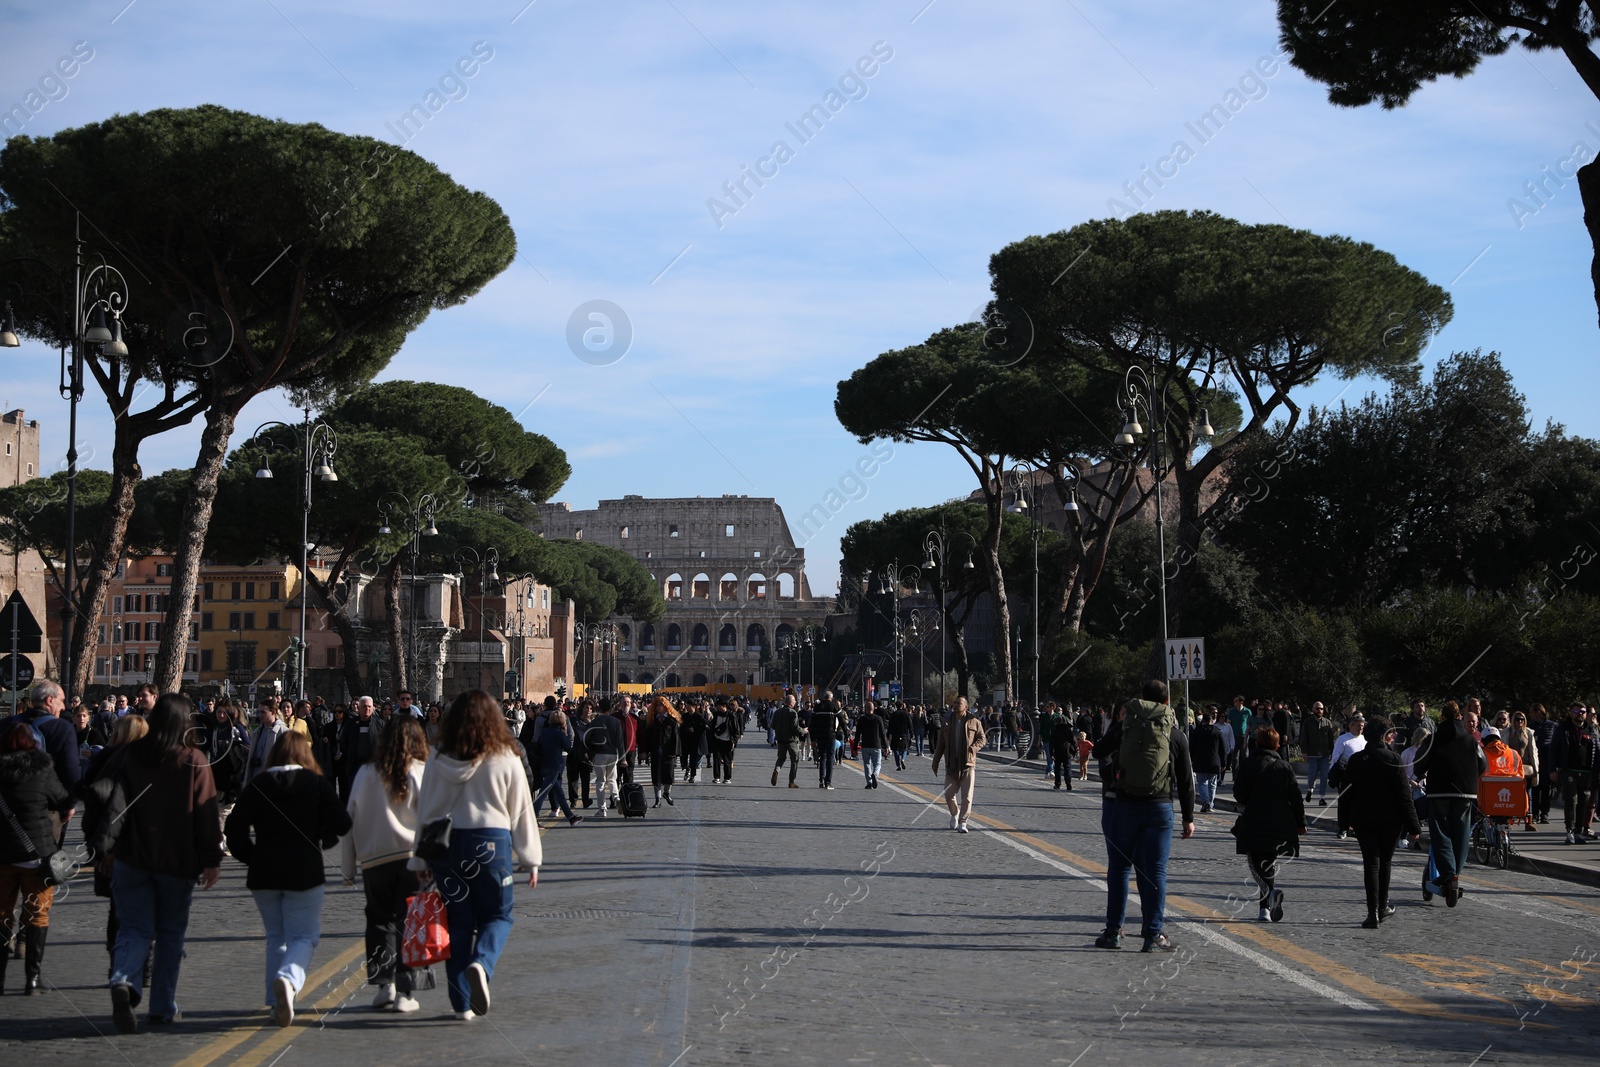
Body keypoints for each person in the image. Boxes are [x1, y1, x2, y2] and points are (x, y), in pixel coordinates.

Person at [409, 690, 540, 1022]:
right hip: (491, 842)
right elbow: (521, 809)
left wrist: (420, 859)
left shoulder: (437, 757)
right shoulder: (506, 756)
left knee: (458, 924)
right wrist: (530, 856)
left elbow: (425, 810)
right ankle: (482, 964)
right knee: (498, 916)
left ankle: (461, 1005)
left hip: (448, 846)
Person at [106, 693, 224, 1033]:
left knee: (133, 927)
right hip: (177, 861)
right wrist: (212, 859)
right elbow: (206, 816)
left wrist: (108, 848)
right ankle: (162, 1006)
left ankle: (124, 980)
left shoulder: (129, 756)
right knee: (171, 934)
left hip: (132, 856)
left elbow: (111, 805)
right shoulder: (193, 760)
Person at [225, 732, 350, 1027]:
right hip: (304, 868)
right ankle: (289, 980)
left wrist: (250, 856)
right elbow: (342, 823)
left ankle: (274, 1001)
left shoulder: (259, 784)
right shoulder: (317, 784)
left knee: (275, 938)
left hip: (264, 869)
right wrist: (324, 836)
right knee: (304, 936)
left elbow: (234, 828)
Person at [1092, 680, 1196, 953]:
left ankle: (1113, 932)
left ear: (1141, 698)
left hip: (1125, 805)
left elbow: (1098, 750)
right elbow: (1186, 781)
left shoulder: (1127, 727)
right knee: (1155, 872)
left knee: (1119, 869)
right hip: (1160, 807)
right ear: (1166, 702)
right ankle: (1153, 935)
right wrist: (1188, 818)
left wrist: (1122, 731)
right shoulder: (1174, 733)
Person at [342, 715, 431, 1013]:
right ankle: (408, 991)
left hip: (374, 860)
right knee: (412, 923)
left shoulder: (366, 773)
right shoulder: (420, 771)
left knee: (379, 922)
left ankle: (385, 985)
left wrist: (348, 867)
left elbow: (349, 819)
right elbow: (432, 818)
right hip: (412, 858)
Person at [0, 720, 74, 994]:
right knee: (37, 915)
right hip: (37, 854)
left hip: (3, 855)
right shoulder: (43, 770)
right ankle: (33, 978)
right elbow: (64, 798)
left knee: (2, 915)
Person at [1344, 716, 1421, 928]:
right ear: (1383, 735)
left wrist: (1344, 822)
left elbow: (1346, 794)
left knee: (1370, 864)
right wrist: (1414, 826)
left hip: (1364, 818)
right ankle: (1382, 907)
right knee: (1385, 863)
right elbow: (1404, 797)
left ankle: (1372, 914)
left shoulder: (1357, 760)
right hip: (1390, 820)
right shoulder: (1394, 759)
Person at [1412, 700, 1485, 906]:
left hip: (1440, 792)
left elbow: (1419, 761)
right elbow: (1483, 763)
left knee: (1441, 831)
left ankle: (1449, 873)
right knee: (1461, 833)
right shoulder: (1471, 740)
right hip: (1465, 792)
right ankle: (1455, 873)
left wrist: (1420, 772)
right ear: (1460, 717)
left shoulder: (1434, 738)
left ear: (1442, 717)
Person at [1230, 726, 1305, 924]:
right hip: (1280, 822)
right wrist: (1301, 823)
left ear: (1257, 743)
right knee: (1269, 865)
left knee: (1255, 864)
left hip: (1254, 820)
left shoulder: (1247, 764)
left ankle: (1269, 896)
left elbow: (1239, 794)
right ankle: (1265, 909)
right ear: (1276, 745)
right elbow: (1296, 797)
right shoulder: (1284, 766)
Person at [931, 696, 986, 833]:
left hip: (968, 764)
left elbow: (982, 738)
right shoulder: (947, 722)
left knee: (967, 797)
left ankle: (963, 822)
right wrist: (935, 761)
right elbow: (941, 744)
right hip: (951, 765)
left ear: (965, 706)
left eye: (959, 703)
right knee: (949, 794)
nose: (955, 705)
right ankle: (955, 813)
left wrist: (973, 748)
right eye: (954, 703)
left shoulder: (974, 721)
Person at [1551, 704, 1598, 844]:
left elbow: (1596, 751)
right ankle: (1570, 831)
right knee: (1571, 801)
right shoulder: (1563, 728)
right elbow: (1553, 749)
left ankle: (1578, 832)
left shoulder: (1591, 730)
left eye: (1583, 712)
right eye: (1576, 711)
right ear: (1571, 713)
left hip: (1586, 772)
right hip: (1568, 770)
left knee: (1583, 802)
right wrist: (1552, 769)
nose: (1580, 714)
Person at [534, 710, 584, 826]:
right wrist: (565, 733)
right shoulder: (560, 734)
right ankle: (533, 818)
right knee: (543, 793)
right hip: (554, 766)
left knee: (559, 793)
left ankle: (571, 817)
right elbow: (568, 748)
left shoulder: (544, 731)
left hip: (543, 765)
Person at [584, 698, 625, 818]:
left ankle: (602, 809)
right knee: (612, 779)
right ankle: (616, 798)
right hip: (613, 754)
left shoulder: (595, 722)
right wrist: (623, 758)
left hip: (599, 754)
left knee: (600, 781)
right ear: (610, 708)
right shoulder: (616, 722)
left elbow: (587, 739)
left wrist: (590, 754)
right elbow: (620, 742)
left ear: (599, 708)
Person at [1330, 711, 1367, 839]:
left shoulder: (1364, 739)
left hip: (1360, 776)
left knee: (1358, 803)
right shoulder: (1343, 739)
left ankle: (1355, 826)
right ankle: (1343, 828)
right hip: (1345, 774)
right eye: (1358, 725)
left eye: (1362, 726)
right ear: (1351, 726)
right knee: (1345, 802)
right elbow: (1336, 757)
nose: (1360, 728)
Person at [1503, 711, 1540, 833]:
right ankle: (1510, 820)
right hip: (1512, 769)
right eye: (1517, 719)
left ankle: (1528, 821)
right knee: (1512, 794)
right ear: (1513, 720)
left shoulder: (1528, 733)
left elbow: (1533, 751)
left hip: (1526, 768)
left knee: (1527, 794)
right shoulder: (1507, 733)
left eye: (1522, 720)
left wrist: (1535, 768)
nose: (1519, 722)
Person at [645, 697, 681, 806]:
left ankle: (667, 793)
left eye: (661, 705)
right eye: (657, 705)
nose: (659, 707)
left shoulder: (671, 719)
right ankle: (657, 799)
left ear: (666, 706)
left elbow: (675, 737)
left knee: (669, 774)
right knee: (656, 775)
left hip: (668, 751)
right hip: (656, 750)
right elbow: (648, 736)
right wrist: (647, 752)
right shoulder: (652, 719)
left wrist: (675, 752)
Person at [1187, 709, 1225, 812]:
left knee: (1202, 782)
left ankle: (1205, 802)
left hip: (1200, 761)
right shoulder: (1217, 731)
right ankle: (1211, 804)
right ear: (1212, 720)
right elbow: (1222, 748)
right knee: (1212, 783)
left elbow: (1192, 746)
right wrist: (1224, 762)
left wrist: (1190, 758)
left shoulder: (1198, 731)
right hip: (1214, 761)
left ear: (1203, 720)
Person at [1301, 702, 1336, 806]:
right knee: (1312, 775)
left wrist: (1333, 753)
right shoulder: (1308, 722)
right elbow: (1304, 738)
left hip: (1324, 754)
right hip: (1312, 754)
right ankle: (1310, 789)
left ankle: (1322, 797)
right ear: (1313, 709)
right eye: (1317, 709)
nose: (1319, 711)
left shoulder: (1327, 722)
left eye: (1321, 709)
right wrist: (1304, 752)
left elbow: (1331, 739)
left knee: (1324, 776)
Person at [770, 694, 806, 788]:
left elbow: (773, 725)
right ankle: (791, 781)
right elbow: (795, 728)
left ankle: (777, 770)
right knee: (794, 760)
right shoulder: (793, 713)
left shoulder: (777, 712)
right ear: (790, 703)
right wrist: (804, 731)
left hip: (780, 740)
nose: (795, 703)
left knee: (781, 758)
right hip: (791, 741)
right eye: (794, 701)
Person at [809, 698, 841, 789]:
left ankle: (821, 781)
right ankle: (828, 782)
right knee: (830, 757)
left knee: (822, 757)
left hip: (820, 736)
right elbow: (841, 720)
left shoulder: (817, 708)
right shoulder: (833, 706)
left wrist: (813, 739)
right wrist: (844, 734)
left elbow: (812, 725)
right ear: (831, 698)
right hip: (831, 736)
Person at [855, 703, 887, 789]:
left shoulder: (862, 719)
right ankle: (875, 774)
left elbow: (857, 734)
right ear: (874, 709)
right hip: (876, 744)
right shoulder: (878, 719)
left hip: (865, 745)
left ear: (865, 709)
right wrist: (886, 746)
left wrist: (855, 747)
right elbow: (883, 734)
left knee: (866, 764)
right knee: (877, 763)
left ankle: (869, 782)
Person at [708, 699, 738, 784]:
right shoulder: (716, 714)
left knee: (727, 760)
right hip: (717, 739)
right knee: (716, 759)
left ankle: (727, 778)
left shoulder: (731, 716)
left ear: (724, 706)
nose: (717, 707)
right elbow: (712, 726)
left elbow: (736, 729)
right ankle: (716, 777)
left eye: (718, 706)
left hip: (728, 740)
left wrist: (734, 741)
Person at [1049, 706, 1079, 792]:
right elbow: (1073, 740)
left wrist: (1051, 753)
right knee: (1067, 767)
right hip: (1067, 751)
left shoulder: (1054, 731)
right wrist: (1075, 749)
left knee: (1057, 768)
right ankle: (1068, 782)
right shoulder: (1068, 730)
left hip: (1057, 752)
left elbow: (1052, 744)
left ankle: (1057, 784)